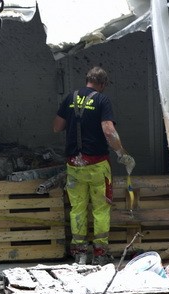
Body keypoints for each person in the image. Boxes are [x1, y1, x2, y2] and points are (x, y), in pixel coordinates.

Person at [53, 66, 135, 265]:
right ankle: (100, 254)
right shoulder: (102, 99)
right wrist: (121, 153)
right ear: (103, 84)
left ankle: (80, 253)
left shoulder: (69, 98)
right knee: (100, 209)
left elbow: (56, 127)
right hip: (97, 165)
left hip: (74, 165)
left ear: (87, 79)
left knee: (77, 208)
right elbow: (108, 131)